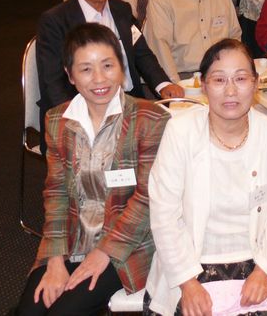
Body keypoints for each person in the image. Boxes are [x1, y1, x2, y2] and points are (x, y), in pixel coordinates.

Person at [15, 23, 170, 315]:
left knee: (63, 311)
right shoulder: (57, 120)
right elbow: (56, 193)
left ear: (121, 67)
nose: (99, 78)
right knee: (29, 311)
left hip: (127, 246)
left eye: (107, 65)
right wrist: (55, 259)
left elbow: (147, 200)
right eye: (86, 69)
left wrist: (103, 253)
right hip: (71, 239)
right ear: (70, 75)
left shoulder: (150, 119)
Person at [144, 39, 267, 316]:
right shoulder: (180, 132)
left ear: (255, 83)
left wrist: (263, 271)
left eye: (240, 78)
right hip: (189, 261)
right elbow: (164, 213)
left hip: (255, 260)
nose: (230, 91)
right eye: (219, 80)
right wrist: (187, 283)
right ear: (203, 86)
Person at [38, 0, 181, 150]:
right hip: (82, 112)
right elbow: (53, 83)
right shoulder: (56, 21)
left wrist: (163, 85)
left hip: (130, 104)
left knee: (178, 138)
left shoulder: (122, 10)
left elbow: (142, 54)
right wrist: (83, 123)